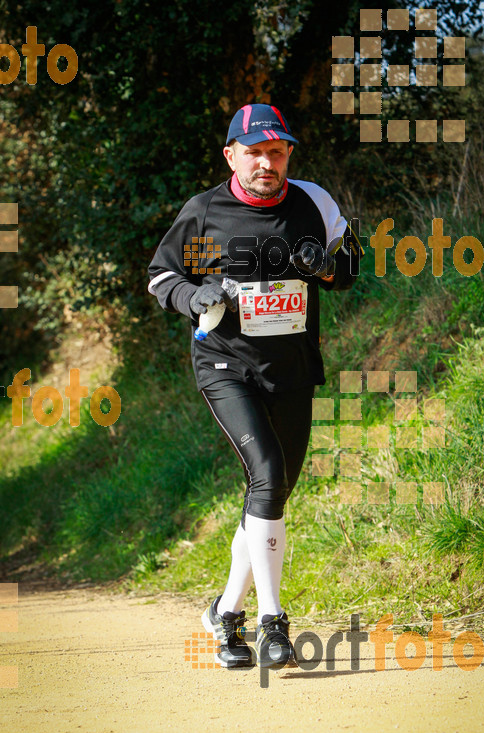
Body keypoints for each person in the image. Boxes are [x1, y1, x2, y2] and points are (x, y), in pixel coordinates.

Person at [147, 103, 362, 670]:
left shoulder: (314, 202)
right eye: (254, 152)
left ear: (289, 152)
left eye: (277, 151)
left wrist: (324, 269)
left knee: (272, 493)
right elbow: (161, 275)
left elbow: (351, 267)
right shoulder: (203, 212)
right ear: (231, 155)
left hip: (290, 367)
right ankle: (272, 624)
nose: (266, 162)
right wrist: (192, 297)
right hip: (224, 364)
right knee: (265, 475)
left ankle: (224, 613)